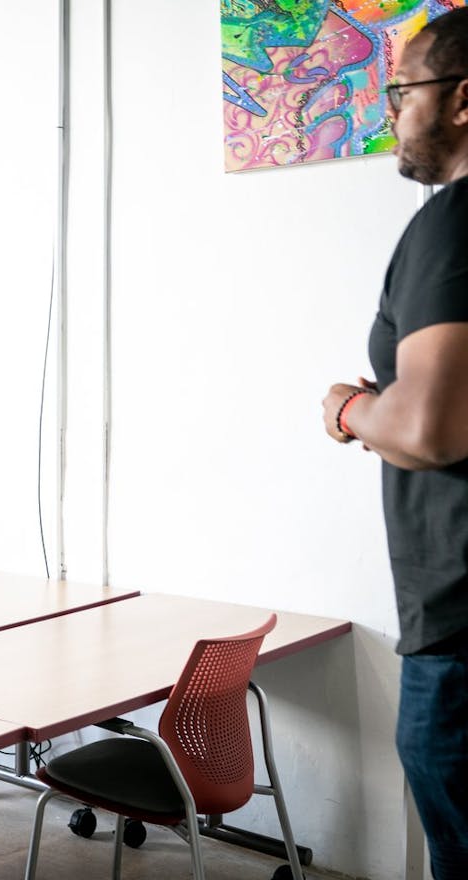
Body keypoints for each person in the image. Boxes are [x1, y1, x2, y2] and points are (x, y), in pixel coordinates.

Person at [321, 9, 468, 875]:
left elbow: (428, 429)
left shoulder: (451, 220)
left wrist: (348, 408)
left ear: (459, 101)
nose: (390, 114)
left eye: (402, 91)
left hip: (459, 631)